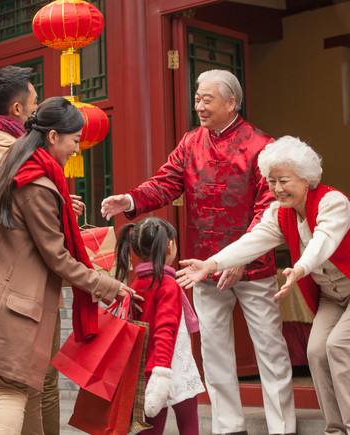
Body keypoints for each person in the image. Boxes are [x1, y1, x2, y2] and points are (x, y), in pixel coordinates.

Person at [101, 69, 296, 435]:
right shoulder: (191, 143)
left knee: (270, 349)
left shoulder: (262, 146)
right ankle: (228, 427)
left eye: (207, 99)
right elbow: (165, 183)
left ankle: (282, 428)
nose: (199, 106)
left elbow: (269, 208)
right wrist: (129, 199)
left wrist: (239, 258)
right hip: (201, 266)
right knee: (214, 350)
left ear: (231, 102)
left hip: (253, 268)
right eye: (197, 99)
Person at [177, 136, 350, 435]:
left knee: (340, 347)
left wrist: (300, 268)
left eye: (284, 180)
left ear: (306, 179)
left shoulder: (333, 202)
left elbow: (324, 241)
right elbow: (253, 241)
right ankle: (335, 429)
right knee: (317, 352)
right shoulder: (279, 214)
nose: (277, 189)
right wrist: (211, 264)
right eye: (271, 181)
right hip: (332, 298)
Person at [0, 97, 138, 435]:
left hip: (0, 294)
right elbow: (57, 257)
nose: (77, 149)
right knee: (13, 389)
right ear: (52, 137)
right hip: (17, 304)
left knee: (7, 384)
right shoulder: (37, 183)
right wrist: (107, 285)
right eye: (74, 140)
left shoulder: (14, 166)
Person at [0, 66, 82, 435]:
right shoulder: (15, 158)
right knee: (16, 385)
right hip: (17, 286)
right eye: (32, 105)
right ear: (17, 109)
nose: (33, 115)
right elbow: (32, 232)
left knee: (22, 382)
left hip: (0, 282)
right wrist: (55, 207)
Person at [114, 217, 205, 435]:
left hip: (147, 368)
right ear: (171, 245)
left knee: (150, 429)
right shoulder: (167, 284)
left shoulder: (137, 284)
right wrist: (162, 373)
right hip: (171, 366)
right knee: (189, 425)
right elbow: (165, 329)